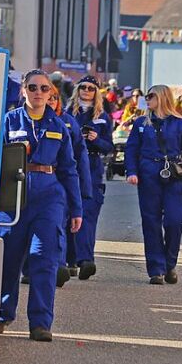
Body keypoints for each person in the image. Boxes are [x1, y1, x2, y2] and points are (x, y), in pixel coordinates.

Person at [0, 69, 82, 342]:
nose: (38, 93)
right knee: (9, 260)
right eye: (33, 88)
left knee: (44, 259)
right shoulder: (9, 121)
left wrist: (77, 209)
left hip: (48, 198)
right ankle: (2, 315)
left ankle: (40, 323)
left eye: (44, 89)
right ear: (23, 90)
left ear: (51, 93)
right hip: (12, 197)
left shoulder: (58, 126)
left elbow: (69, 170)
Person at [125, 85, 182, 285]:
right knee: (151, 222)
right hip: (148, 174)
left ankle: (170, 263)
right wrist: (132, 172)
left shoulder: (180, 124)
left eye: (151, 96)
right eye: (146, 96)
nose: (147, 99)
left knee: (174, 220)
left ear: (162, 98)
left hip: (172, 175)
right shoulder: (141, 123)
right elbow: (131, 149)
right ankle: (156, 269)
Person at [68, 75, 113, 281]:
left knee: (88, 213)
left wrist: (97, 139)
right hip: (71, 164)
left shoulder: (103, 115)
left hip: (92, 166)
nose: (86, 91)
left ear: (97, 92)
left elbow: (108, 147)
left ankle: (85, 260)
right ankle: (69, 260)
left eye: (91, 88)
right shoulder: (68, 113)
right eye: (83, 87)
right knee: (67, 212)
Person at [50, 90, 90, 285]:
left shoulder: (66, 123)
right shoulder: (17, 119)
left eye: (53, 98)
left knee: (59, 223)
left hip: (61, 182)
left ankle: (59, 266)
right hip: (30, 182)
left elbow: (78, 159)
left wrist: (85, 190)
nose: (49, 101)